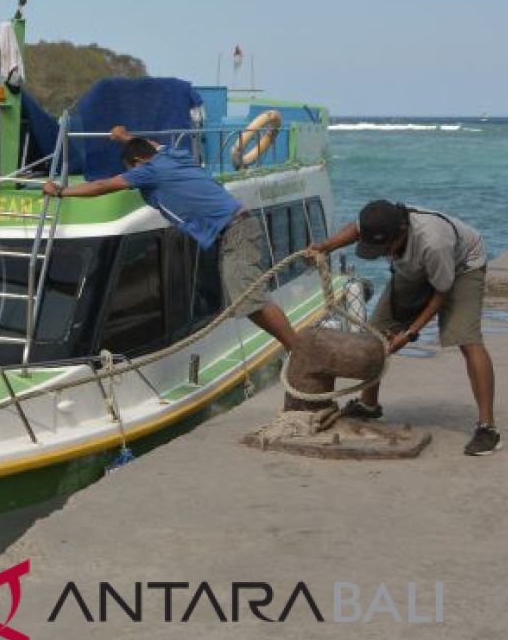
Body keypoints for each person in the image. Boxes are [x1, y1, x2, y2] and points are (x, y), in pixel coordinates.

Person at [42, 126, 298, 352]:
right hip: (238, 227)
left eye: (130, 169)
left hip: (235, 231)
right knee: (244, 300)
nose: (132, 176)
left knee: (250, 300)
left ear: (138, 162)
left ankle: (296, 349)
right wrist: (125, 137)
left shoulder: (149, 170)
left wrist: (61, 191)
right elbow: (150, 146)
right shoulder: (172, 155)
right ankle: (293, 347)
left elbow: (102, 186)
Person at [310, 200, 498, 456]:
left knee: (467, 340)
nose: (381, 253)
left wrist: (409, 334)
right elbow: (355, 230)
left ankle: (488, 428)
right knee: (373, 337)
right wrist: (325, 247)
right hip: (416, 266)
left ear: (401, 234)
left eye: (384, 248)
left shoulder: (434, 242)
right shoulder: (381, 221)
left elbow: (441, 293)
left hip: (463, 266)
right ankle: (369, 405)